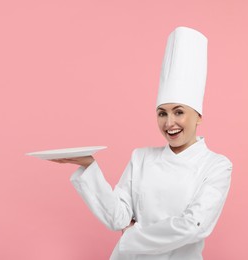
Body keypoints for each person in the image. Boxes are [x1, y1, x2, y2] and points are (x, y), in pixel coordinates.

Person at [50, 26, 232, 260]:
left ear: (198, 116)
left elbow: (195, 225)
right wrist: (88, 167)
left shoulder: (216, 165)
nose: (169, 123)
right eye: (162, 113)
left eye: (178, 112)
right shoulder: (141, 157)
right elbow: (118, 218)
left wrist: (132, 238)